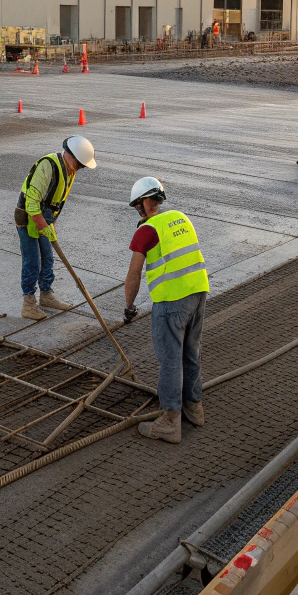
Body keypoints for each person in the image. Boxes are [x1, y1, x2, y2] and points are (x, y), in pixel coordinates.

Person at [123, 177, 209, 444]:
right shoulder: (180, 218)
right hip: (198, 291)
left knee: (170, 359)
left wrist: (128, 307)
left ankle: (171, 421)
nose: (139, 209)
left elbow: (134, 274)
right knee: (190, 353)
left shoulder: (146, 231)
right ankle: (194, 409)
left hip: (172, 302)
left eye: (139, 205)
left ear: (145, 203)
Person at [15, 136, 97, 320]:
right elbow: (32, 204)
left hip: (45, 217)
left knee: (48, 259)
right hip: (29, 217)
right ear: (74, 157)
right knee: (32, 262)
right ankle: (28, 304)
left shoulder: (70, 170)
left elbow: (55, 201)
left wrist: (51, 224)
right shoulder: (47, 166)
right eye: (81, 164)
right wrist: (43, 225)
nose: (81, 168)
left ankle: (46, 295)